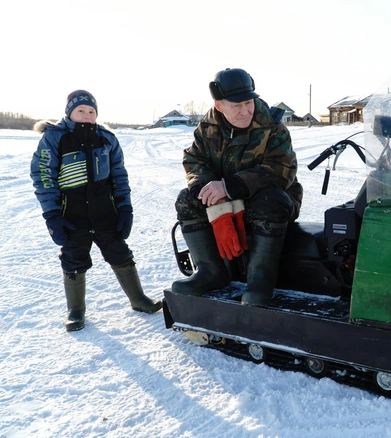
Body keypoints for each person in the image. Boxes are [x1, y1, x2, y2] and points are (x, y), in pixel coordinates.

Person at [30, 90, 162, 332]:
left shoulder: (107, 138)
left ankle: (138, 299)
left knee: (120, 253)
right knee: (73, 259)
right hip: (72, 215)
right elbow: (43, 176)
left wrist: (125, 208)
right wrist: (52, 214)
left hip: (105, 213)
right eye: (81, 110)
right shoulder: (54, 138)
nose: (87, 115)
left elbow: (119, 176)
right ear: (69, 112)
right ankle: (76, 310)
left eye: (91, 111)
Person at [172, 68, 302, 306]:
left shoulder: (272, 125)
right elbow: (195, 161)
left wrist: (230, 187)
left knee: (271, 201)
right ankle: (211, 272)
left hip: (270, 199)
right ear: (219, 105)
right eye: (237, 105)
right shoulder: (207, 127)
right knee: (187, 200)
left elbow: (281, 170)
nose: (245, 111)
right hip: (227, 199)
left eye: (248, 103)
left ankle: (260, 280)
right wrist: (209, 193)